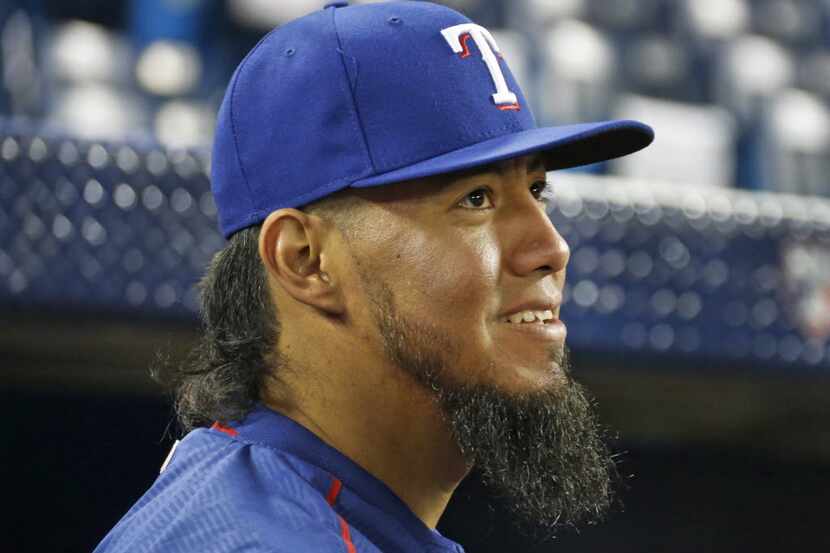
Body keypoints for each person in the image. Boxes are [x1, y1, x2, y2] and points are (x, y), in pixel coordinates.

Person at [95, 1, 653, 552]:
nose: (551, 247)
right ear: (305, 260)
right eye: (476, 199)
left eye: (536, 191)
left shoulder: (307, 510)